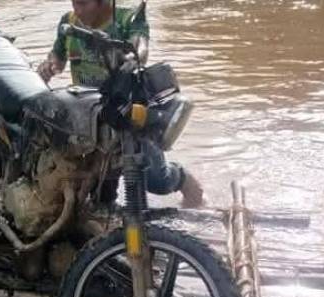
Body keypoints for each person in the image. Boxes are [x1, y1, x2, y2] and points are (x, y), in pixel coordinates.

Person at [37, 0, 204, 208]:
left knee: (156, 180)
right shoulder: (69, 23)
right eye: (74, 4)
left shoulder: (128, 18)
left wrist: (129, 57)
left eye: (83, 4)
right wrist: (50, 65)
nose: (77, 11)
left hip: (128, 110)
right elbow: (58, 58)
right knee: (99, 187)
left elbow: (140, 47)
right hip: (92, 118)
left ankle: (188, 185)